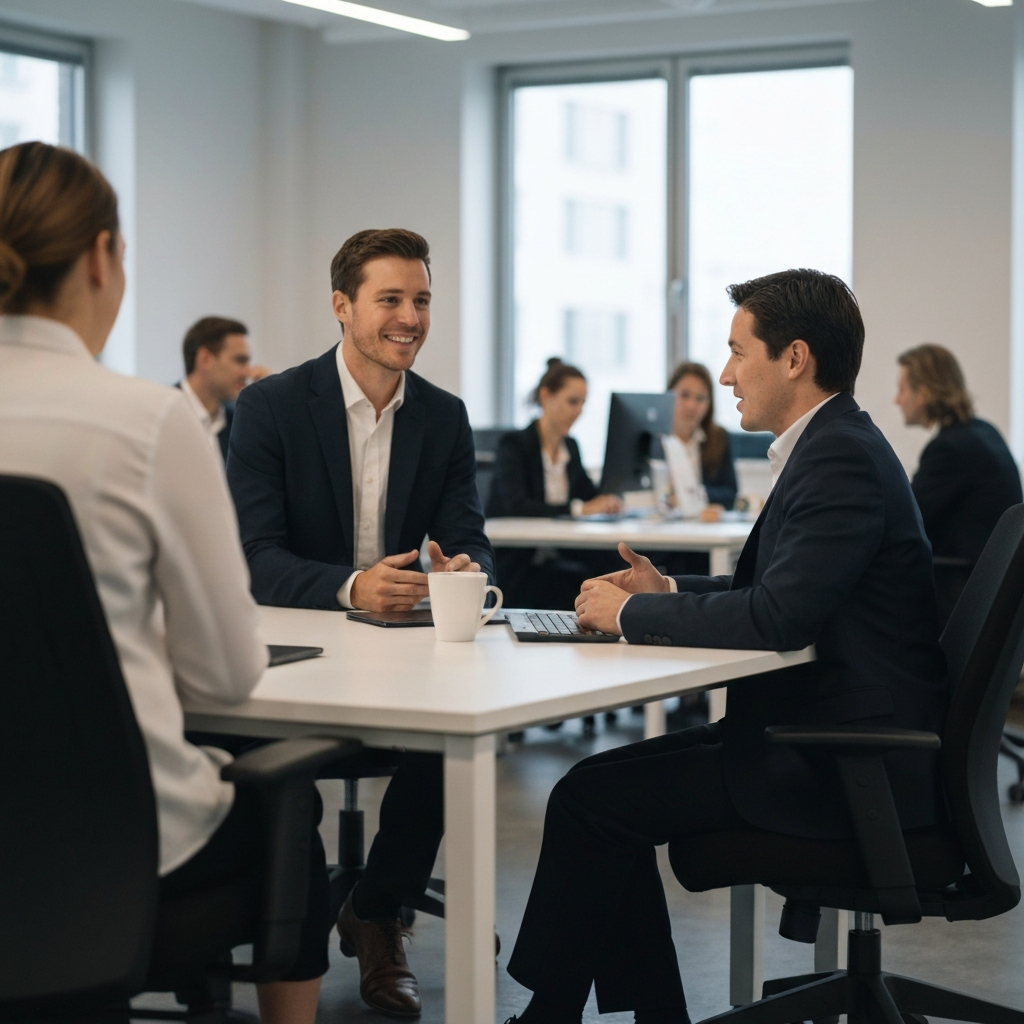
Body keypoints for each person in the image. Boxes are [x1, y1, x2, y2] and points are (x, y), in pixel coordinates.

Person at [504, 269, 948, 1024]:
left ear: (795, 358)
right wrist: (663, 593)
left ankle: (552, 1017)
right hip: (820, 733)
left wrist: (631, 616)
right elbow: (784, 595)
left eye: (739, 351)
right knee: (594, 791)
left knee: (591, 802)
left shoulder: (838, 459)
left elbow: (778, 619)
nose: (726, 372)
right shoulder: (833, 445)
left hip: (842, 763)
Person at [0, 142, 326, 1024]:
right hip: (121, 854)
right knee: (291, 811)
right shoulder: (144, 423)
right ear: (103, 257)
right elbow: (223, 676)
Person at [227, 227, 495, 1017]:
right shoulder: (271, 406)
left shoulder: (443, 417)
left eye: (421, 300)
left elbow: (471, 535)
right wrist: (351, 587)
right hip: (299, 659)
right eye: (390, 299)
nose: (410, 317)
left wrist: (462, 571)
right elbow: (251, 555)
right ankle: (298, 949)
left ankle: (377, 910)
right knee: (289, 790)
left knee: (461, 747)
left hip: (407, 658)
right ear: (342, 306)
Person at [895, 343, 1022, 624]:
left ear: (924, 393)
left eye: (902, 389)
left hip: (963, 595)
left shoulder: (950, 449)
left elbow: (906, 521)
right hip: (997, 595)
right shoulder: (982, 432)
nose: (897, 399)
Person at [486, 358, 622, 609]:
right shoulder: (514, 445)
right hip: (518, 564)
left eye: (583, 403)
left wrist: (607, 501)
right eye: (572, 401)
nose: (578, 411)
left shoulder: (570, 447)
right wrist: (579, 509)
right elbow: (518, 506)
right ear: (546, 396)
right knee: (586, 584)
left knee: (615, 569)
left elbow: (588, 494)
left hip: (558, 556)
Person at [178, 315, 269, 460]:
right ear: (205, 359)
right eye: (240, 360)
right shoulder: (162, 413)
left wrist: (267, 402)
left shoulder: (239, 423)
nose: (249, 372)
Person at [664, 361, 737, 514]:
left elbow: (730, 494)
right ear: (669, 394)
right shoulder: (652, 440)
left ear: (709, 403)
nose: (692, 405)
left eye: (700, 398)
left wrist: (693, 496)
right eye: (684, 395)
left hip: (704, 528)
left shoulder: (718, 438)